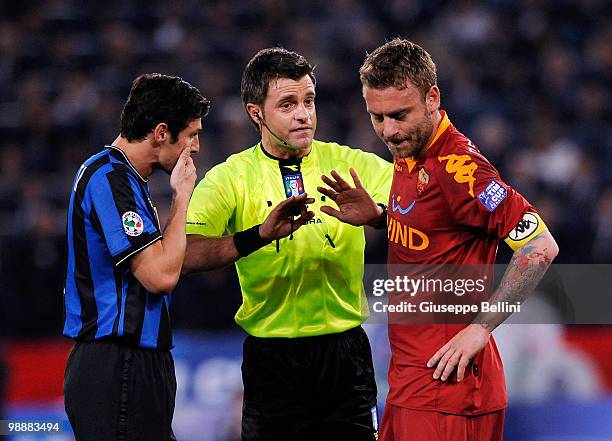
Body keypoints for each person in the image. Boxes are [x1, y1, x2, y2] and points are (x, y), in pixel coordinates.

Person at [318, 38, 559, 441]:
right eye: (377, 117)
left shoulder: (462, 169)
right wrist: (380, 218)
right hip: (411, 381)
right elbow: (439, 231)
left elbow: (540, 246)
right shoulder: (411, 151)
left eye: (399, 114)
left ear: (433, 98)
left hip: (448, 390)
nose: (389, 131)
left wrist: (482, 328)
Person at [182, 47, 393, 441]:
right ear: (255, 113)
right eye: (288, 104)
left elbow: (427, 211)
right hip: (271, 359)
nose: (303, 114)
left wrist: (381, 217)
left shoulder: (353, 164)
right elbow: (185, 256)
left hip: (345, 356)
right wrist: (257, 236)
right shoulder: (229, 178)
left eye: (309, 101)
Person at [63, 73, 210, 441]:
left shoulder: (127, 181)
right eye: (191, 134)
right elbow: (160, 276)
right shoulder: (109, 178)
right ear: (161, 132)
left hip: (135, 364)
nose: (197, 147)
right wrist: (181, 198)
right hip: (117, 365)